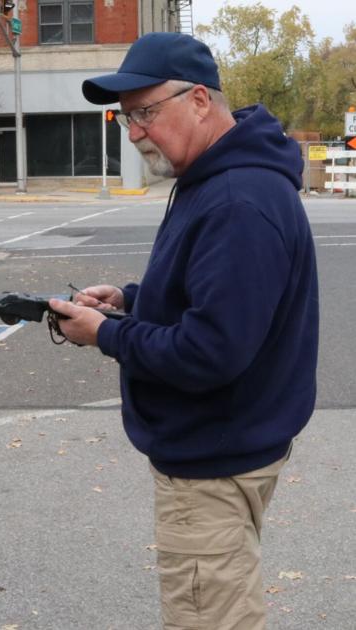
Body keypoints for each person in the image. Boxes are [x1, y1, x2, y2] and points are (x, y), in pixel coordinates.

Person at [48, 32, 319, 630]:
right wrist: (131, 300)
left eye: (145, 112)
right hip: (228, 445)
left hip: (213, 462)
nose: (135, 130)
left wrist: (107, 334)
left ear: (199, 100)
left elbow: (209, 352)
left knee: (209, 619)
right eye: (125, 117)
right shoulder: (218, 179)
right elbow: (224, 301)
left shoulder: (236, 199)